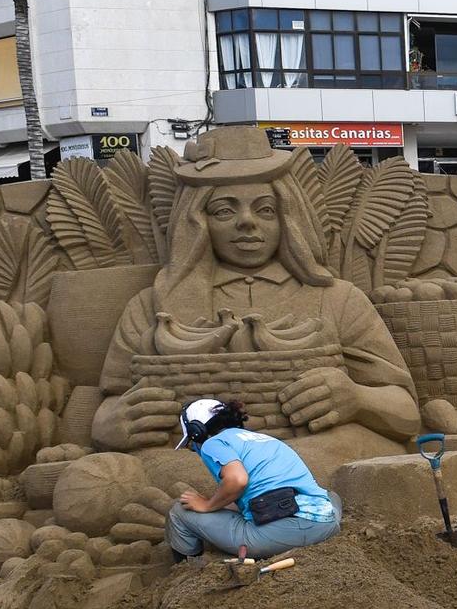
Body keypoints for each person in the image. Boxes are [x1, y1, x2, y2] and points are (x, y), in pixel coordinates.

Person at [92, 126, 420, 476]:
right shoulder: (151, 307)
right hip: (190, 463)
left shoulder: (338, 300)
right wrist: (112, 422)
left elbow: (406, 414)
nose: (247, 223)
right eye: (223, 211)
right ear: (197, 222)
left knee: (346, 454)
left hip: (314, 455)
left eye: (264, 210)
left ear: (288, 218)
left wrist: (357, 398)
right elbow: (110, 402)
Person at [165, 398, 343, 560]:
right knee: (330, 495)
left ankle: (187, 571)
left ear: (198, 432)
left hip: (281, 534)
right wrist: (215, 501)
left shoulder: (213, 443)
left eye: (191, 444)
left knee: (179, 512)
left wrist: (207, 505)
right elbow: (256, 491)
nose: (194, 449)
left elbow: (238, 480)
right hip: (327, 525)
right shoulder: (264, 439)